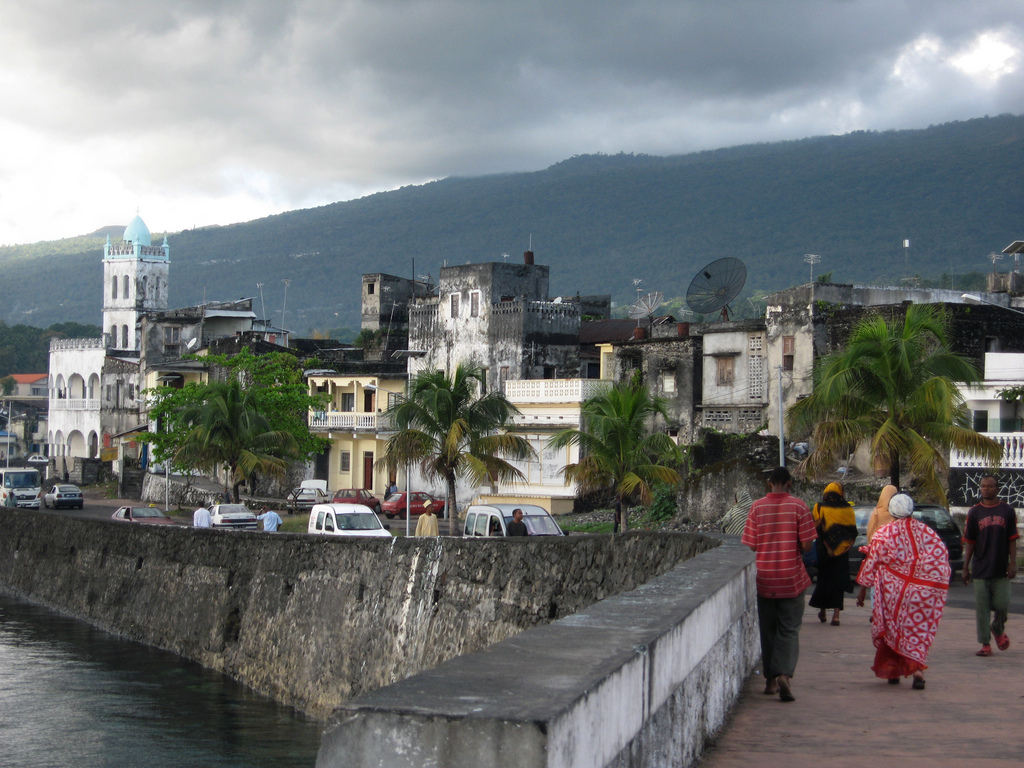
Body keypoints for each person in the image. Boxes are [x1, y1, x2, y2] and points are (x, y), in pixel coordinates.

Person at [856, 493, 949, 689]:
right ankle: (916, 671)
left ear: (891, 511)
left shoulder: (884, 533)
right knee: (915, 631)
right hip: (922, 594)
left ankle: (894, 670)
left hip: (893, 593)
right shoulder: (928, 532)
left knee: (894, 629)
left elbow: (871, 563)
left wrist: (863, 589)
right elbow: (941, 559)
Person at [741, 466, 816, 703]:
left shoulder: (757, 507)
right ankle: (784, 673)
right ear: (790, 484)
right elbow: (806, 545)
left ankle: (770, 681)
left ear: (769, 483)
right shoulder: (800, 506)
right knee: (789, 629)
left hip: (765, 578)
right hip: (791, 578)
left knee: (768, 629)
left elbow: (752, 545)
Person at [963, 474, 1018, 656]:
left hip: (1000, 568)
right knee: (982, 609)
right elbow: (970, 542)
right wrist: (965, 568)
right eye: (983, 486)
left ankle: (997, 627)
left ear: (997, 489)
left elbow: (1012, 539)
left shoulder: (1007, 511)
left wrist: (1013, 563)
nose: (985, 489)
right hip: (980, 569)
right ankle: (985, 644)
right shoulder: (974, 513)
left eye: (989, 486)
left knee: (1003, 604)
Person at [808, 482, 857, 626]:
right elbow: (852, 532)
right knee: (838, 584)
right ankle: (836, 616)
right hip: (842, 553)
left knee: (824, 581)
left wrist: (827, 545)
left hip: (825, 552)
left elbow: (815, 527)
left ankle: (822, 612)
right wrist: (843, 547)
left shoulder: (819, 507)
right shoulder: (848, 508)